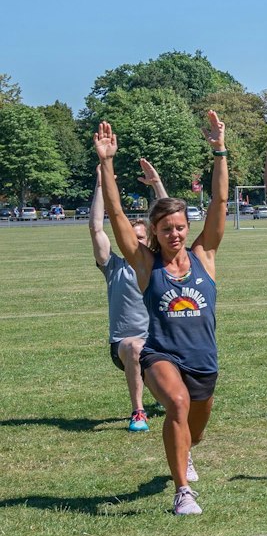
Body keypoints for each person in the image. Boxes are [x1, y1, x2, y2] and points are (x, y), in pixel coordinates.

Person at [94, 114, 229, 516]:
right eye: (166, 228)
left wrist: (219, 150)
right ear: (155, 231)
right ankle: (182, 492)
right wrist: (106, 163)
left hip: (204, 360)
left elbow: (220, 202)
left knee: (194, 431)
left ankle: (184, 453)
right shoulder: (145, 264)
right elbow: (117, 216)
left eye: (180, 227)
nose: (175, 234)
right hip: (160, 354)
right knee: (176, 404)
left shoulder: (204, 255)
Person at [91, 159, 169, 432]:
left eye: (141, 237)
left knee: (178, 402)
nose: (135, 241)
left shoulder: (157, 264)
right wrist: (102, 185)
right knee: (135, 348)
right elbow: (97, 229)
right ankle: (138, 412)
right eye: (131, 237)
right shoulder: (114, 267)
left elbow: (170, 218)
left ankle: (163, 391)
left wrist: (157, 183)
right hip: (124, 346)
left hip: (161, 344)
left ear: (150, 240)